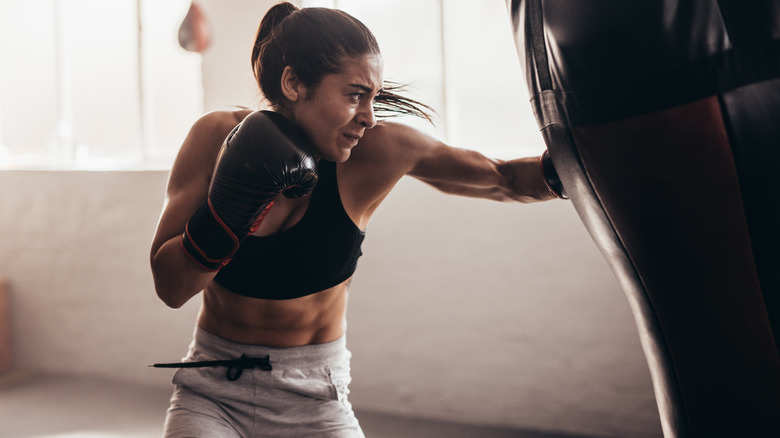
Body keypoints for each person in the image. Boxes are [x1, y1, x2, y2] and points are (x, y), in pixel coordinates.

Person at [150, 2, 564, 437]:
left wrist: (590, 160)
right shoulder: (214, 137)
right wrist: (231, 208)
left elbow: (503, 179)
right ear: (293, 82)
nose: (368, 117)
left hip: (315, 399)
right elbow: (171, 288)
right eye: (354, 95)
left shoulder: (381, 151)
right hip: (213, 392)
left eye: (374, 97)